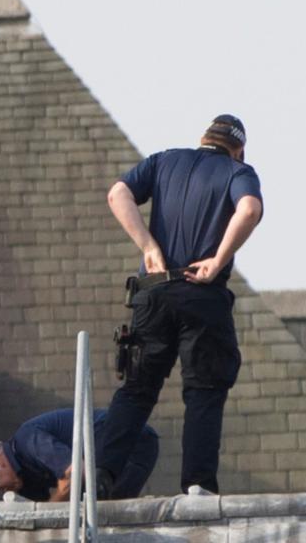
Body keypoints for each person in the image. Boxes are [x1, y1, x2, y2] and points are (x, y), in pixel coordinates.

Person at [96, 114, 263, 497]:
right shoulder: (238, 172)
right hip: (203, 296)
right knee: (204, 391)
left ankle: (102, 475)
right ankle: (198, 486)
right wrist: (219, 259)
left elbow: (116, 193)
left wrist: (148, 247)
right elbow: (250, 210)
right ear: (237, 150)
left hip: (153, 292)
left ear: (203, 138)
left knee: (137, 389)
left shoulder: (163, 160)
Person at [0, 408, 159, 501]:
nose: (0, 491)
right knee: (105, 515)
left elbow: (74, 473)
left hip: (129, 442)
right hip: (111, 458)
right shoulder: (23, 476)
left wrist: (52, 507)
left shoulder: (27, 439)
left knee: (108, 517)